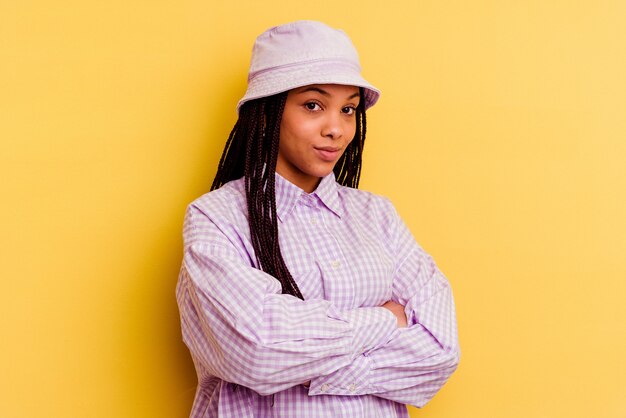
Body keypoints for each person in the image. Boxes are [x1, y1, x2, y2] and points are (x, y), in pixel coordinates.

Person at [176, 20, 460, 418]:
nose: (336, 129)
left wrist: (306, 365)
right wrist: (383, 320)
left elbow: (440, 349)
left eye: (348, 110)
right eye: (313, 105)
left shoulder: (377, 215)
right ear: (269, 111)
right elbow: (257, 351)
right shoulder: (217, 218)